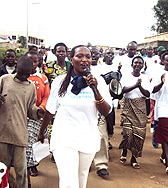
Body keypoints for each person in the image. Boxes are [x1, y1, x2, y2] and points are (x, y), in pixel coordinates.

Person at [38, 45, 112, 188]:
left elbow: (106, 111)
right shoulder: (60, 82)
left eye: (88, 57)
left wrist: (95, 89)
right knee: (68, 182)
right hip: (64, 138)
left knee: (81, 178)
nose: (84, 60)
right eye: (79, 56)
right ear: (71, 60)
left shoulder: (99, 82)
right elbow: (50, 110)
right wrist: (42, 132)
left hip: (87, 137)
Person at [0, 56, 44, 188]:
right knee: (2, 168)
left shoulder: (30, 87)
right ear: (16, 68)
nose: (24, 76)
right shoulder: (4, 80)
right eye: (21, 72)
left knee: (21, 170)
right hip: (3, 132)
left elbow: (30, 109)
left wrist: (38, 112)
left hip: (20, 135)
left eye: (27, 74)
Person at [119, 55, 150, 169]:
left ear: (142, 66)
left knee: (139, 134)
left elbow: (147, 94)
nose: (137, 65)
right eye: (135, 63)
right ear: (132, 65)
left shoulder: (145, 77)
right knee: (128, 133)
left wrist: (140, 86)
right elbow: (122, 90)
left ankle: (134, 157)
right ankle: (124, 151)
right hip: (128, 105)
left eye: (140, 63)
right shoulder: (126, 76)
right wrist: (135, 85)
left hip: (140, 107)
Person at [25, 51, 50, 181]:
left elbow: (46, 96)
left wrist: (40, 109)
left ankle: (32, 165)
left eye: (35, 61)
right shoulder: (18, 77)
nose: (33, 64)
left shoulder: (43, 78)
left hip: (36, 116)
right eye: (30, 61)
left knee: (32, 142)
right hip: (21, 115)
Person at [89, 46, 111, 178]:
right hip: (80, 115)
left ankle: (101, 165)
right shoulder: (73, 74)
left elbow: (106, 95)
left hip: (98, 112)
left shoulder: (100, 75)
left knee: (101, 138)